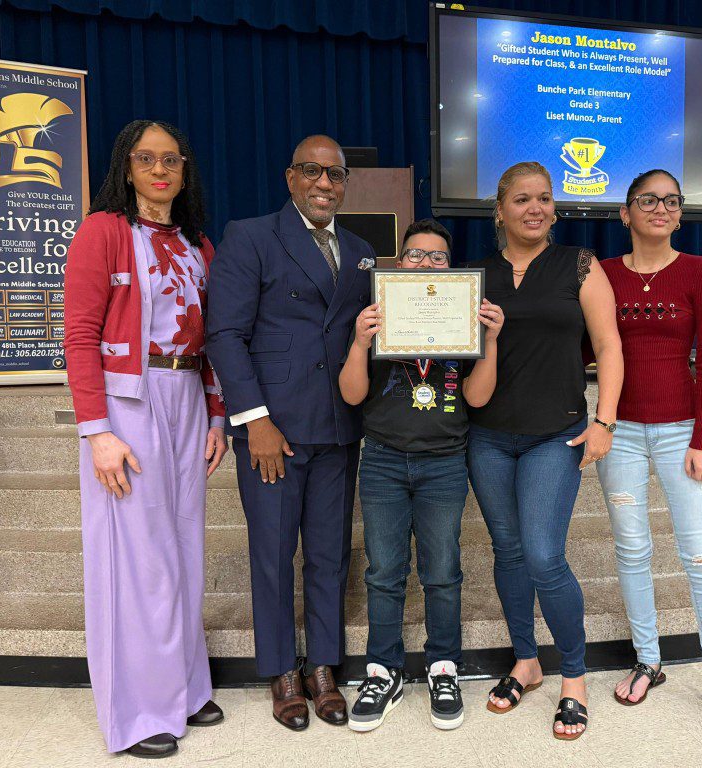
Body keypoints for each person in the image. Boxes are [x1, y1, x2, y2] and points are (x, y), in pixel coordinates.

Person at [65, 120, 228, 758]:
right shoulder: (102, 231)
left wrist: (216, 414)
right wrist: (97, 431)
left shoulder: (197, 243)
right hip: (128, 403)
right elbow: (80, 335)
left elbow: (212, 337)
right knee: (136, 562)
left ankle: (183, 689)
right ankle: (136, 715)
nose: (159, 170)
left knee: (183, 551)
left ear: (185, 170)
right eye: (146, 159)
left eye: (171, 160)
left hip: (187, 396)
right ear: (126, 167)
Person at [205, 135, 374, 731]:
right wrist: (254, 421)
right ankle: (282, 671)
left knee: (329, 555)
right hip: (272, 430)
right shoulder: (250, 236)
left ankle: (323, 666)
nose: (324, 183)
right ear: (290, 177)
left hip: (337, 427)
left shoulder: (360, 251)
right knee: (273, 556)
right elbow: (225, 334)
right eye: (312, 171)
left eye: (335, 174)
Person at [595, 169, 702, 739]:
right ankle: (648, 660)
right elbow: (586, 347)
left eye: (671, 201)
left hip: (681, 432)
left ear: (681, 213)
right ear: (625, 213)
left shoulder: (700, 272)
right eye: (647, 200)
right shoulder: (604, 274)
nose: (660, 208)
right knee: (632, 550)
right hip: (620, 433)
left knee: (700, 556)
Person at [465, 161, 623, 740]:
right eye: (522, 199)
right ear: (500, 209)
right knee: (508, 552)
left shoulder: (579, 264)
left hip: (555, 435)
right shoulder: (477, 275)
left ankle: (574, 676)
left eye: (545, 198)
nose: (536, 208)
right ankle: (527, 661)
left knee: (543, 555)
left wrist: (604, 421)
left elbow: (609, 345)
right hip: (487, 437)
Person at [338, 219, 505, 732]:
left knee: (442, 571)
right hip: (383, 460)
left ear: (451, 269)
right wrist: (360, 343)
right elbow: (350, 394)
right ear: (399, 261)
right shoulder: (377, 313)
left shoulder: (465, 316)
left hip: (444, 463)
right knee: (384, 571)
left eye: (438, 257)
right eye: (416, 255)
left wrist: (492, 339)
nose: (426, 263)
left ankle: (443, 666)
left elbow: (477, 397)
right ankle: (382, 671)